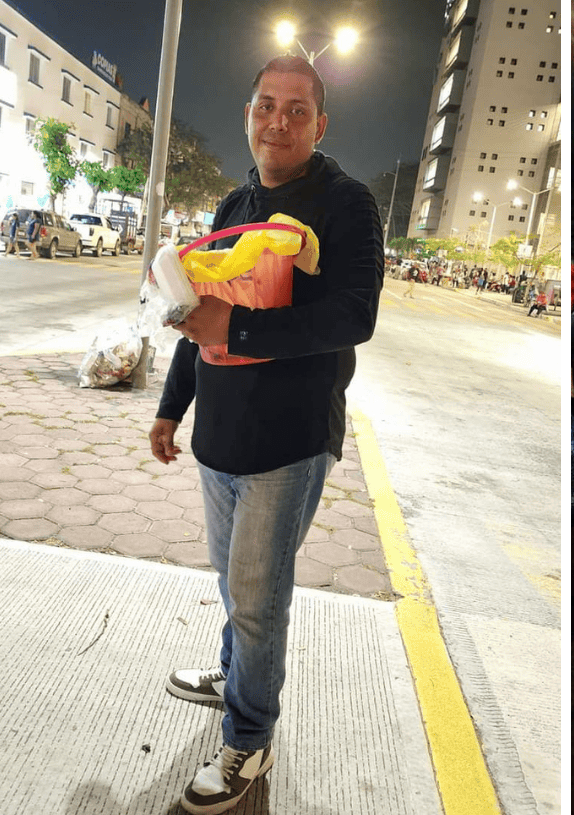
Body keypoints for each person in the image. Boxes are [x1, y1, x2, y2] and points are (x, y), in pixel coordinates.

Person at [148, 55, 383, 815]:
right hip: (219, 432)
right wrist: (170, 405)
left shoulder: (348, 205)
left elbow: (355, 316)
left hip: (289, 439)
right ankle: (235, 673)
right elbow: (198, 314)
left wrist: (240, 323)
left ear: (320, 124)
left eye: (295, 109)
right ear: (248, 114)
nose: (277, 121)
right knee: (233, 585)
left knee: (257, 597)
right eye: (265, 106)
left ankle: (250, 734)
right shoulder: (231, 204)